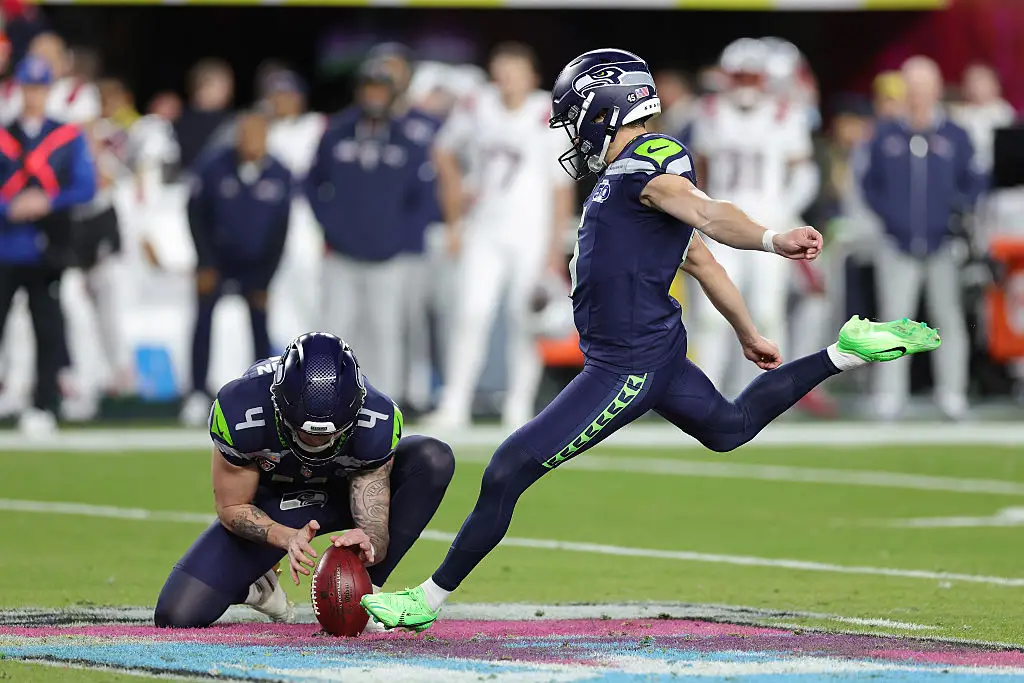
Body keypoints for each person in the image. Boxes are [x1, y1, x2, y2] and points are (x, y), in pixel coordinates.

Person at [361, 48, 941, 632]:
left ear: (602, 109)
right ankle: (847, 351)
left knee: (509, 467)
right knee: (729, 428)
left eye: (574, 117)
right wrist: (748, 332)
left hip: (626, 365)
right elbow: (697, 257)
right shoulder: (625, 173)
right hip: (656, 348)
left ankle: (426, 600)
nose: (572, 132)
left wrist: (771, 238)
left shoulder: (650, 164)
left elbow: (707, 216)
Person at [155, 332, 455, 629]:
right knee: (177, 614)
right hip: (279, 503)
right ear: (280, 406)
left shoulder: (376, 419)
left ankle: (368, 595)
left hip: (342, 493)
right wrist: (286, 537)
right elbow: (232, 506)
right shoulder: (241, 410)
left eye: (329, 434)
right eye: (304, 431)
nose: (316, 442)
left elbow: (372, 510)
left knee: (432, 459)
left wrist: (371, 543)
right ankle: (258, 584)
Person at [422, 42, 574, 429]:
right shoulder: (478, 104)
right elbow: (443, 152)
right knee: (470, 314)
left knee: (524, 320)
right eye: (501, 68)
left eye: (515, 69)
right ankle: (455, 403)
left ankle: (518, 406)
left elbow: (561, 186)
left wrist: (555, 247)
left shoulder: (548, 112)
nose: (507, 77)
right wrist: (455, 215)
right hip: (485, 229)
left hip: (530, 233)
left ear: (532, 76)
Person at [689, 37, 820, 397]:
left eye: (752, 77)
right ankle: (704, 393)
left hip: (768, 226)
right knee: (711, 316)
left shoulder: (785, 113)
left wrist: (784, 208)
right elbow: (698, 171)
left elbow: (805, 173)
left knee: (766, 311)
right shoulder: (709, 112)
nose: (746, 85)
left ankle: (766, 394)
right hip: (721, 226)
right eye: (740, 77)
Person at [305, 58, 433, 399]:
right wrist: (329, 225)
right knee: (333, 331)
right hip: (342, 254)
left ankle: (382, 402)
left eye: (381, 89)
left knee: (386, 333)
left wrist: (400, 238)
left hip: (387, 257)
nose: (375, 96)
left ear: (391, 94)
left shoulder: (408, 140)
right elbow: (312, 183)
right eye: (369, 88)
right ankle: (326, 400)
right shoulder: (335, 133)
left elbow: (422, 197)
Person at [861, 56, 979, 421]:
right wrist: (891, 219)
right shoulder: (886, 135)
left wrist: (957, 214)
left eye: (924, 86)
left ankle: (952, 393)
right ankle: (890, 394)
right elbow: (870, 185)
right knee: (894, 321)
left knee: (948, 318)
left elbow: (973, 181)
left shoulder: (954, 134)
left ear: (937, 89)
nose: (918, 94)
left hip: (942, 242)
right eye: (912, 87)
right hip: (897, 242)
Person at [0, 56, 96, 436]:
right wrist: (10, 206)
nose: (34, 95)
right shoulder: (5, 133)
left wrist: (46, 201)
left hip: (47, 248)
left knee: (49, 328)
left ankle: (44, 403)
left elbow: (85, 185)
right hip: (7, 247)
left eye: (40, 88)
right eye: (29, 88)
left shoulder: (66, 135)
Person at [179, 111, 291, 426]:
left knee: (259, 327)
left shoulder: (279, 173)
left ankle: (265, 395)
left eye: (258, 136)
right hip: (217, 259)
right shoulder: (215, 166)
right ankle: (197, 393)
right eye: (246, 135)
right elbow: (195, 214)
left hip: (256, 264)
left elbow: (281, 230)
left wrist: (267, 278)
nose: (251, 143)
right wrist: (204, 262)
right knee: (202, 322)